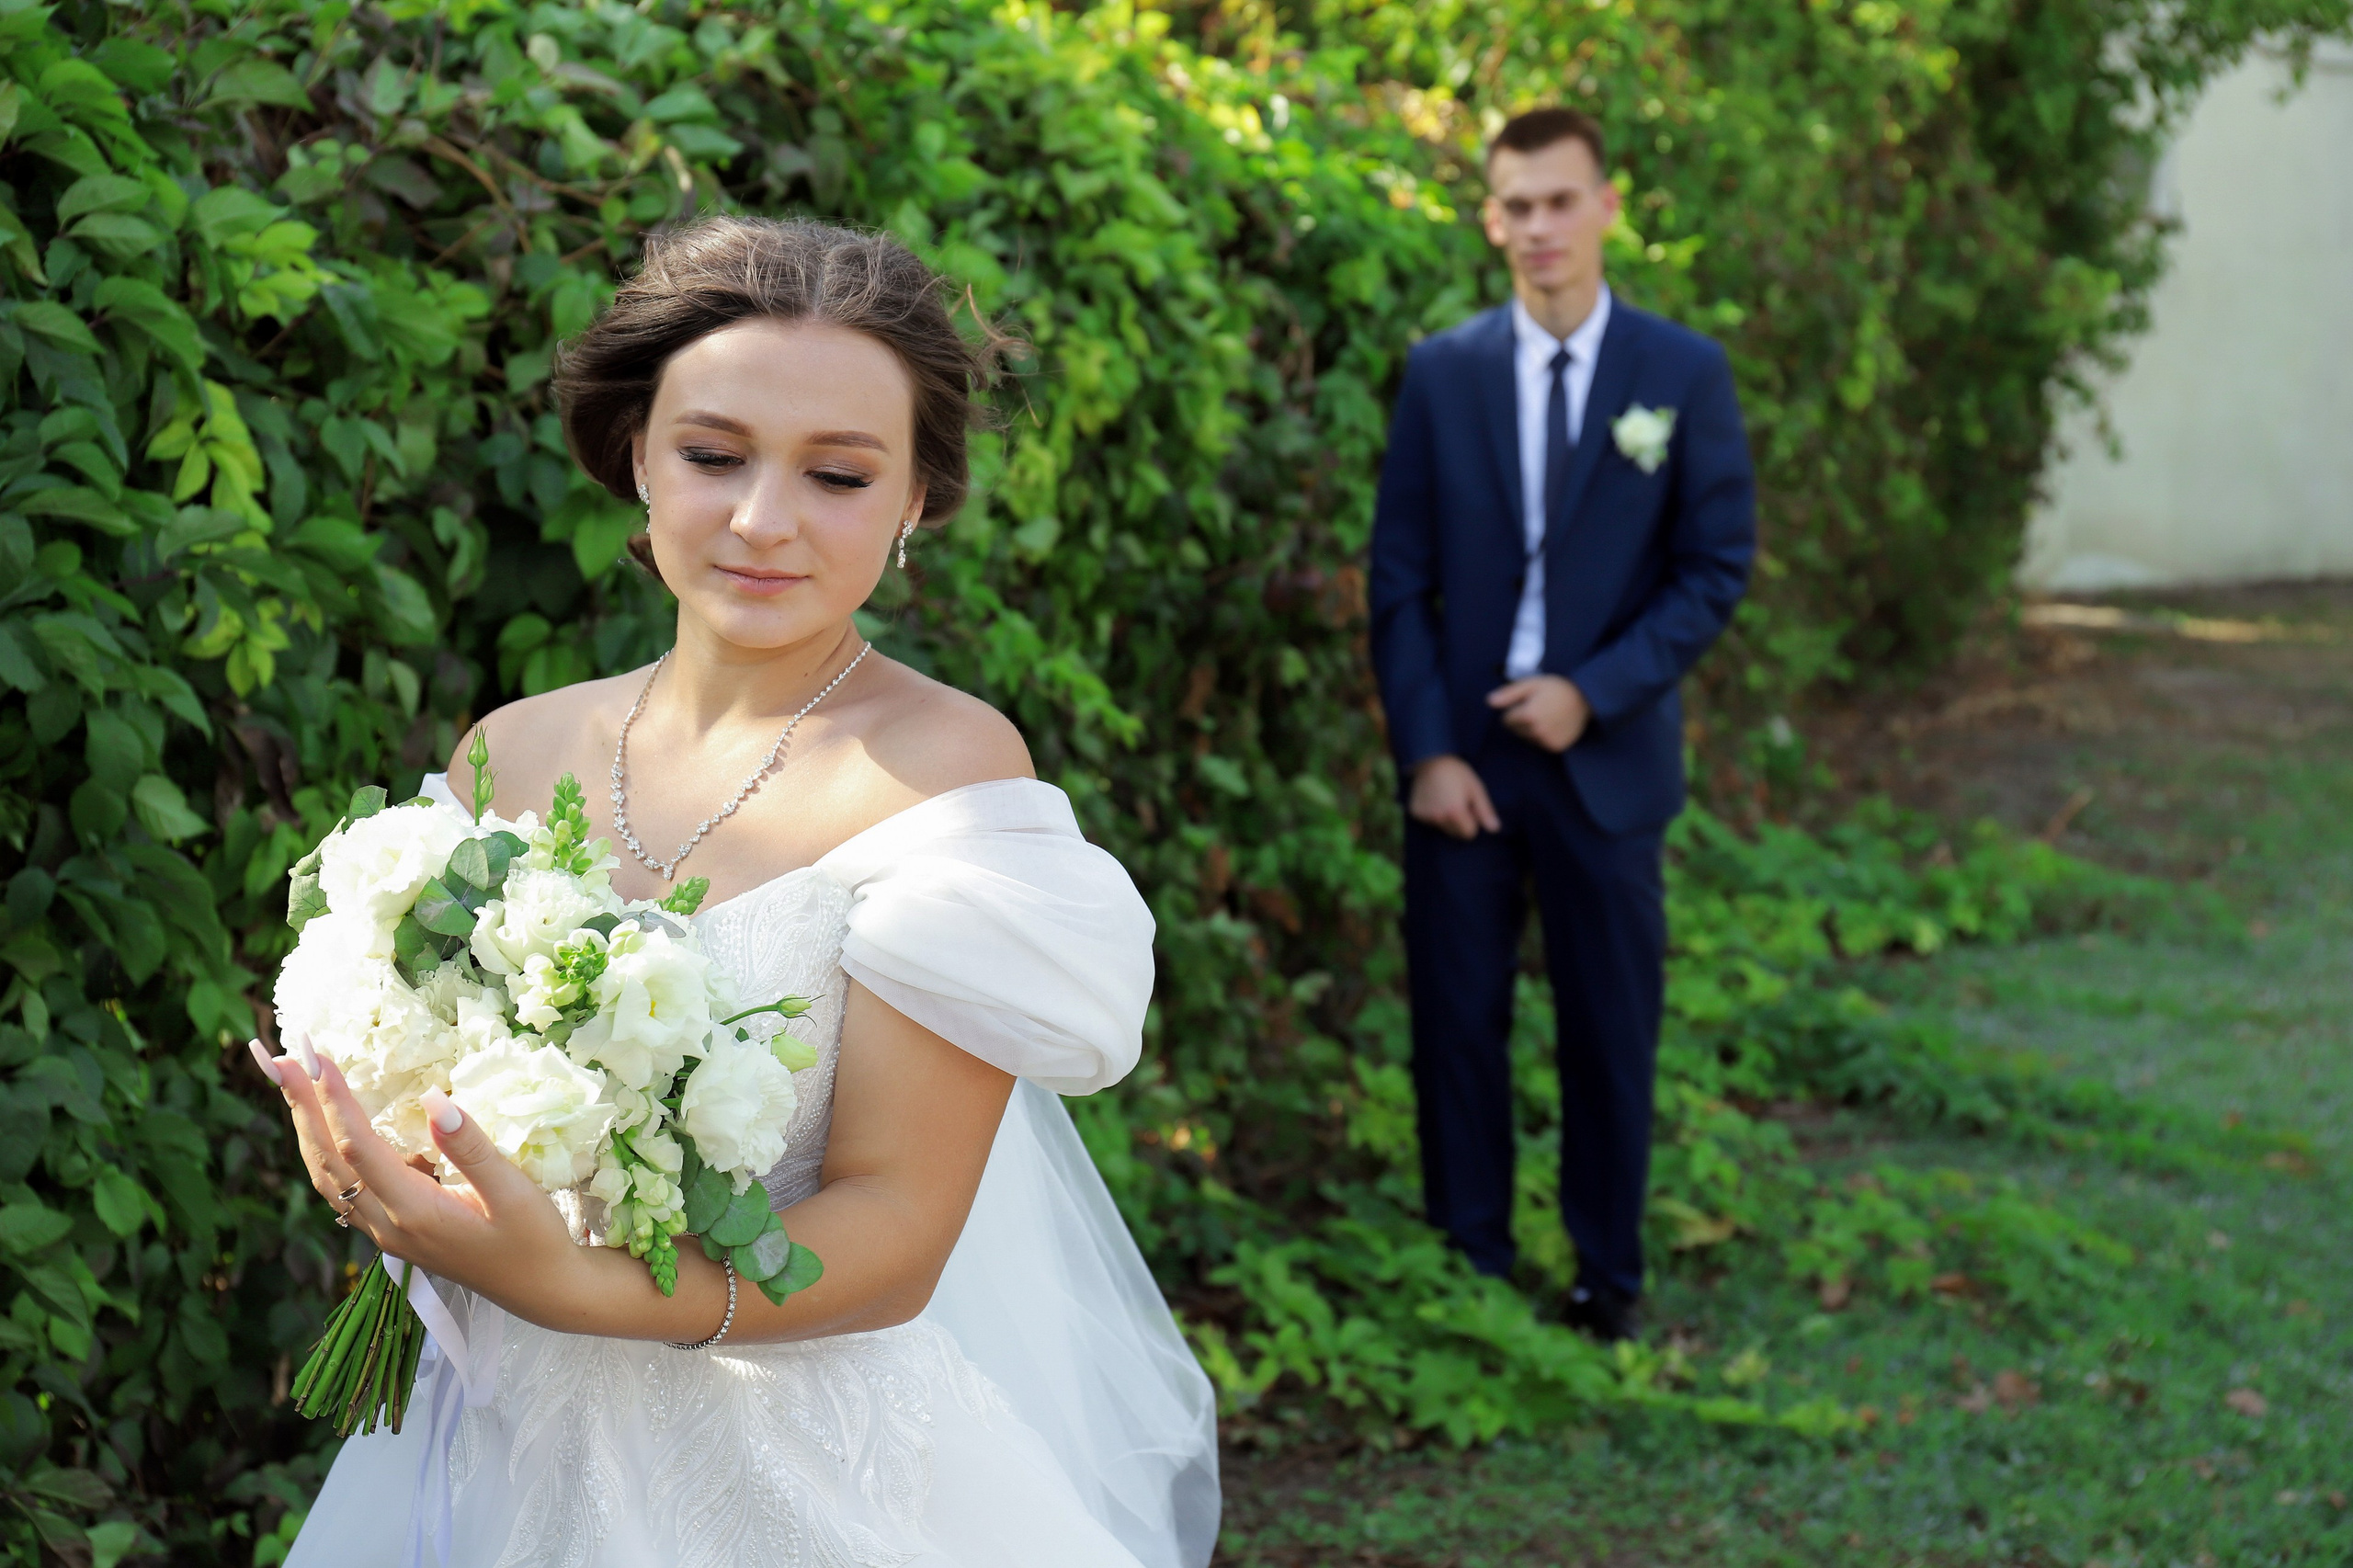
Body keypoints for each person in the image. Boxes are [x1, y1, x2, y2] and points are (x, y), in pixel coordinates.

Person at [255, 216, 1219, 1568]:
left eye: (837, 474)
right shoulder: (514, 747)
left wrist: (589, 1288)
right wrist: (378, 1165)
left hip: (785, 1481)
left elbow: (894, 1225)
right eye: (713, 455)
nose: (763, 519)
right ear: (638, 455)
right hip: (488, 1437)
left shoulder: (945, 774)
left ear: (916, 503)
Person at [1368, 107, 1756, 1343]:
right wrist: (1427, 749)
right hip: (1465, 767)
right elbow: (1400, 579)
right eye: (1515, 205)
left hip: (1608, 761)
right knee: (1457, 1022)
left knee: (1608, 1026)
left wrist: (1594, 686)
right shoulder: (1445, 371)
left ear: (1607, 205)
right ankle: (1470, 1265)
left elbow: (1714, 565)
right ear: (1492, 219)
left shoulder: (1681, 374)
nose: (1538, 226)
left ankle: (1605, 1275)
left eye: (1559, 200)